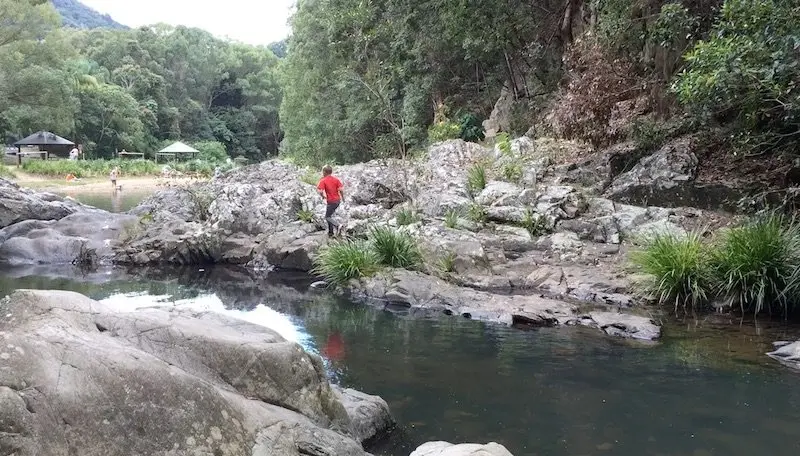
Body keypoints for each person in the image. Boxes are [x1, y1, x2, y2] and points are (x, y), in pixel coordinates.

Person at [317, 165, 344, 237]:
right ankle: (330, 232)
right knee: (329, 215)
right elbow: (341, 190)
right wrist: (343, 198)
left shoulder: (323, 180)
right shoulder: (336, 179)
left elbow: (320, 191)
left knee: (327, 217)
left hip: (331, 201)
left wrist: (323, 196)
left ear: (325, 172)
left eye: (323, 171)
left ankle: (337, 225)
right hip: (337, 201)